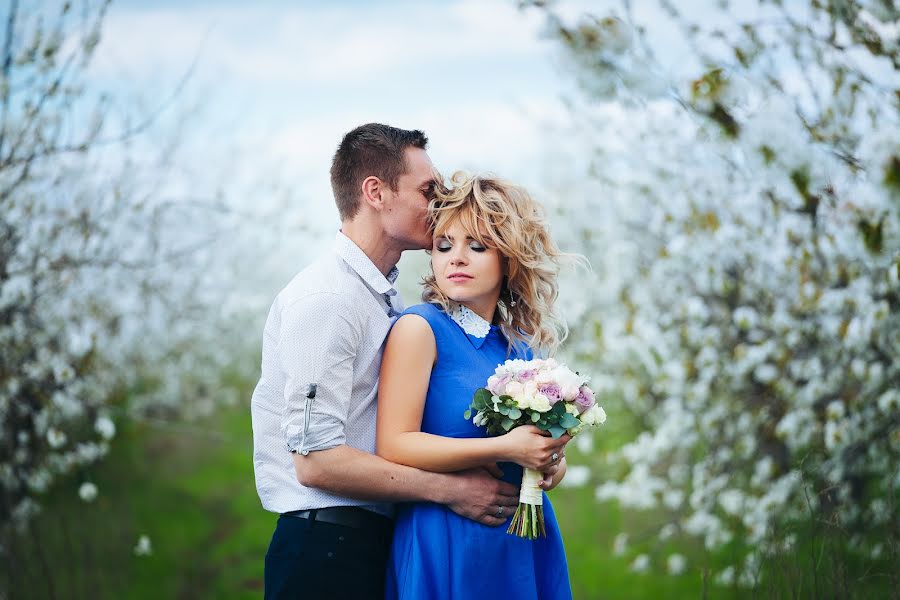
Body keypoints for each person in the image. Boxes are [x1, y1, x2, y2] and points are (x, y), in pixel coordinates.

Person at [250, 124, 521, 600]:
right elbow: (316, 462)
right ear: (375, 192)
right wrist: (451, 490)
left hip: (370, 543)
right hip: (325, 551)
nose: (437, 205)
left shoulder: (379, 300)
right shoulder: (327, 300)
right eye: (426, 191)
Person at [376, 171, 575, 599]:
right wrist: (504, 448)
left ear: (508, 258)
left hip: (522, 540)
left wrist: (550, 463)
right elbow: (394, 444)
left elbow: (544, 457)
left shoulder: (521, 348)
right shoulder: (420, 328)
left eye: (477, 246)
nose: (456, 258)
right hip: (446, 538)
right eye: (444, 246)